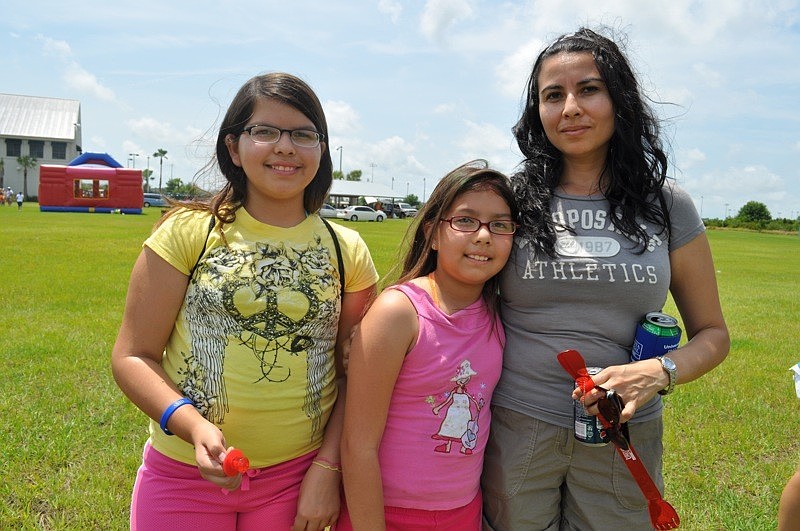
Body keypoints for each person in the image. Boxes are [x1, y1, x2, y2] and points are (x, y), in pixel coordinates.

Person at [481, 28, 730, 530]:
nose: (570, 107)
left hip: (623, 430)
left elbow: (714, 335)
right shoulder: (510, 200)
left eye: (589, 89)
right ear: (538, 112)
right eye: (553, 95)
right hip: (518, 425)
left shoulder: (668, 205)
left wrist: (659, 372)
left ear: (620, 100)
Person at [111, 72, 378, 530]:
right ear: (233, 147)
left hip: (295, 479)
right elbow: (133, 356)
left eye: (303, 134)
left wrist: (326, 468)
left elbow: (354, 376)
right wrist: (193, 426)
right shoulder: (187, 233)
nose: (285, 147)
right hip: (184, 477)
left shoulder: (347, 249)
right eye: (265, 131)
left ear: (322, 149)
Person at [340, 160, 518, 530]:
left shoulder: (501, 314)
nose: (484, 235)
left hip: (463, 511)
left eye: (500, 225)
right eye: (466, 220)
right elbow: (358, 446)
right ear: (433, 234)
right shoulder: (399, 312)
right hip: (385, 513)